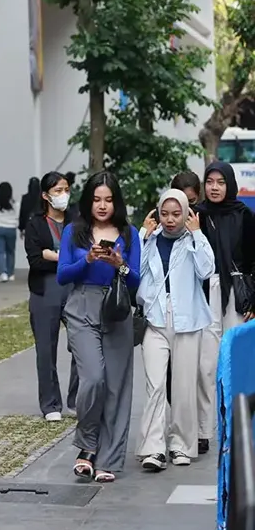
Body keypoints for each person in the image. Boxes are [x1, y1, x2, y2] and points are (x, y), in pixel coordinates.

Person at [58, 171, 141, 483]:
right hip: (82, 307)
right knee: (93, 379)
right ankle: (88, 444)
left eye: (108, 199)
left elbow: (136, 281)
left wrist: (119, 264)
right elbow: (63, 275)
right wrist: (89, 260)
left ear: (116, 201)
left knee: (117, 387)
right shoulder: (74, 231)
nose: (102, 205)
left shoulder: (129, 233)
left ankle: (109, 459)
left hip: (117, 308)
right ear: (88, 201)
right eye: (96, 199)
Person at [137, 189, 214, 470]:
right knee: (155, 386)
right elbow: (135, 271)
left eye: (176, 213)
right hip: (155, 321)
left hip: (188, 322)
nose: (170, 220)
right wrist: (142, 236)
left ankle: (181, 445)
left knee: (182, 387)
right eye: (164, 214)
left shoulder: (192, 240)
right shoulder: (151, 239)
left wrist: (197, 234)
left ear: (186, 214)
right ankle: (153, 449)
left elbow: (206, 271)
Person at [196, 162, 255, 456]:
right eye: (210, 181)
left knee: (235, 363)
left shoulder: (244, 215)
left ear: (229, 184)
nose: (215, 187)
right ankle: (203, 431)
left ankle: (235, 427)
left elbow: (253, 261)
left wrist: (253, 300)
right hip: (206, 293)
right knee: (205, 365)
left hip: (236, 296)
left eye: (220, 181)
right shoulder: (199, 216)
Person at [25, 171, 79, 422]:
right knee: (45, 350)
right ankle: (50, 404)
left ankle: (76, 400)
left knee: (82, 344)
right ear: (46, 196)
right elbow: (35, 260)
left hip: (74, 289)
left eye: (66, 189)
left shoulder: (77, 220)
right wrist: (62, 258)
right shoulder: (36, 224)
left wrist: (52, 254)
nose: (63, 195)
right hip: (44, 291)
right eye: (58, 191)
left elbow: (83, 252)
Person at [164, 171, 202, 407]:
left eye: (192, 203)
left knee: (198, 368)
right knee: (170, 369)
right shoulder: (162, 224)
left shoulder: (201, 221)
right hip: (169, 308)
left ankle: (199, 427)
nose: (184, 215)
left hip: (200, 303)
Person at [0, 182, 20, 282]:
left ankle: (3, 273)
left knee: (0, 252)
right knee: (10, 252)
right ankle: (11, 273)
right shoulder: (15, 203)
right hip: (11, 229)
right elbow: (17, 216)